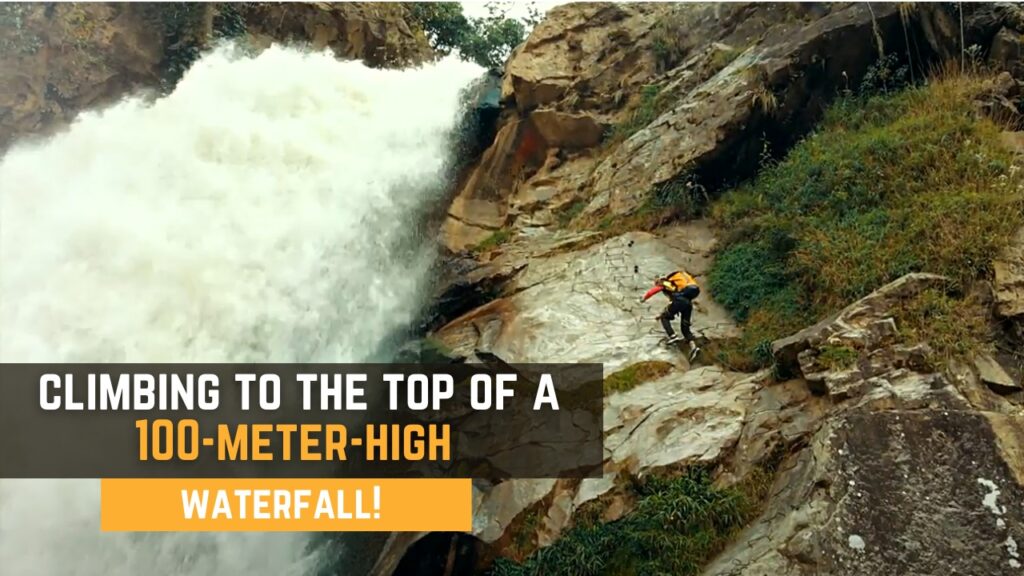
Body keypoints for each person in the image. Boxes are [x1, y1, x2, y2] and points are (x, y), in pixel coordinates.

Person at [640, 269, 701, 361]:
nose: (657, 284)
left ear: (661, 280)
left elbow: (653, 291)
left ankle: (673, 336)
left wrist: (643, 299)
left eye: (657, 282)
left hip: (680, 301)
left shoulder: (666, 283)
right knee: (685, 327)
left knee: (665, 318)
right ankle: (693, 347)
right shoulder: (677, 287)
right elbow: (673, 304)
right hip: (688, 304)